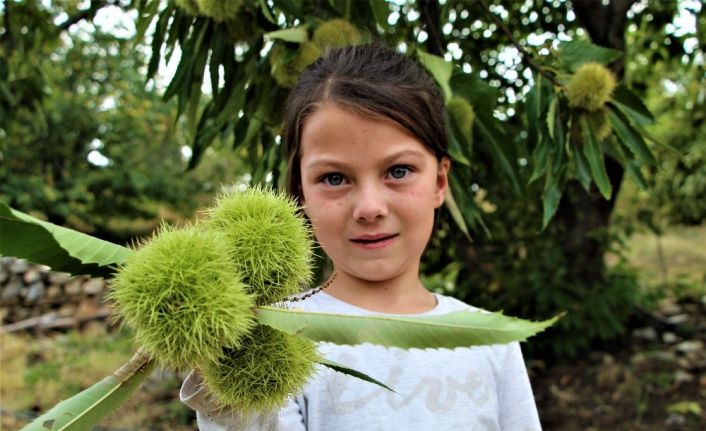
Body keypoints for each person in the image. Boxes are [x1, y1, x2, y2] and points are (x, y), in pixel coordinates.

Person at [180, 43, 542, 431]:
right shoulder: (273, 339)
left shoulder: (491, 340)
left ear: (439, 181)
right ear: (300, 195)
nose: (369, 207)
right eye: (334, 178)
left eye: (398, 171)